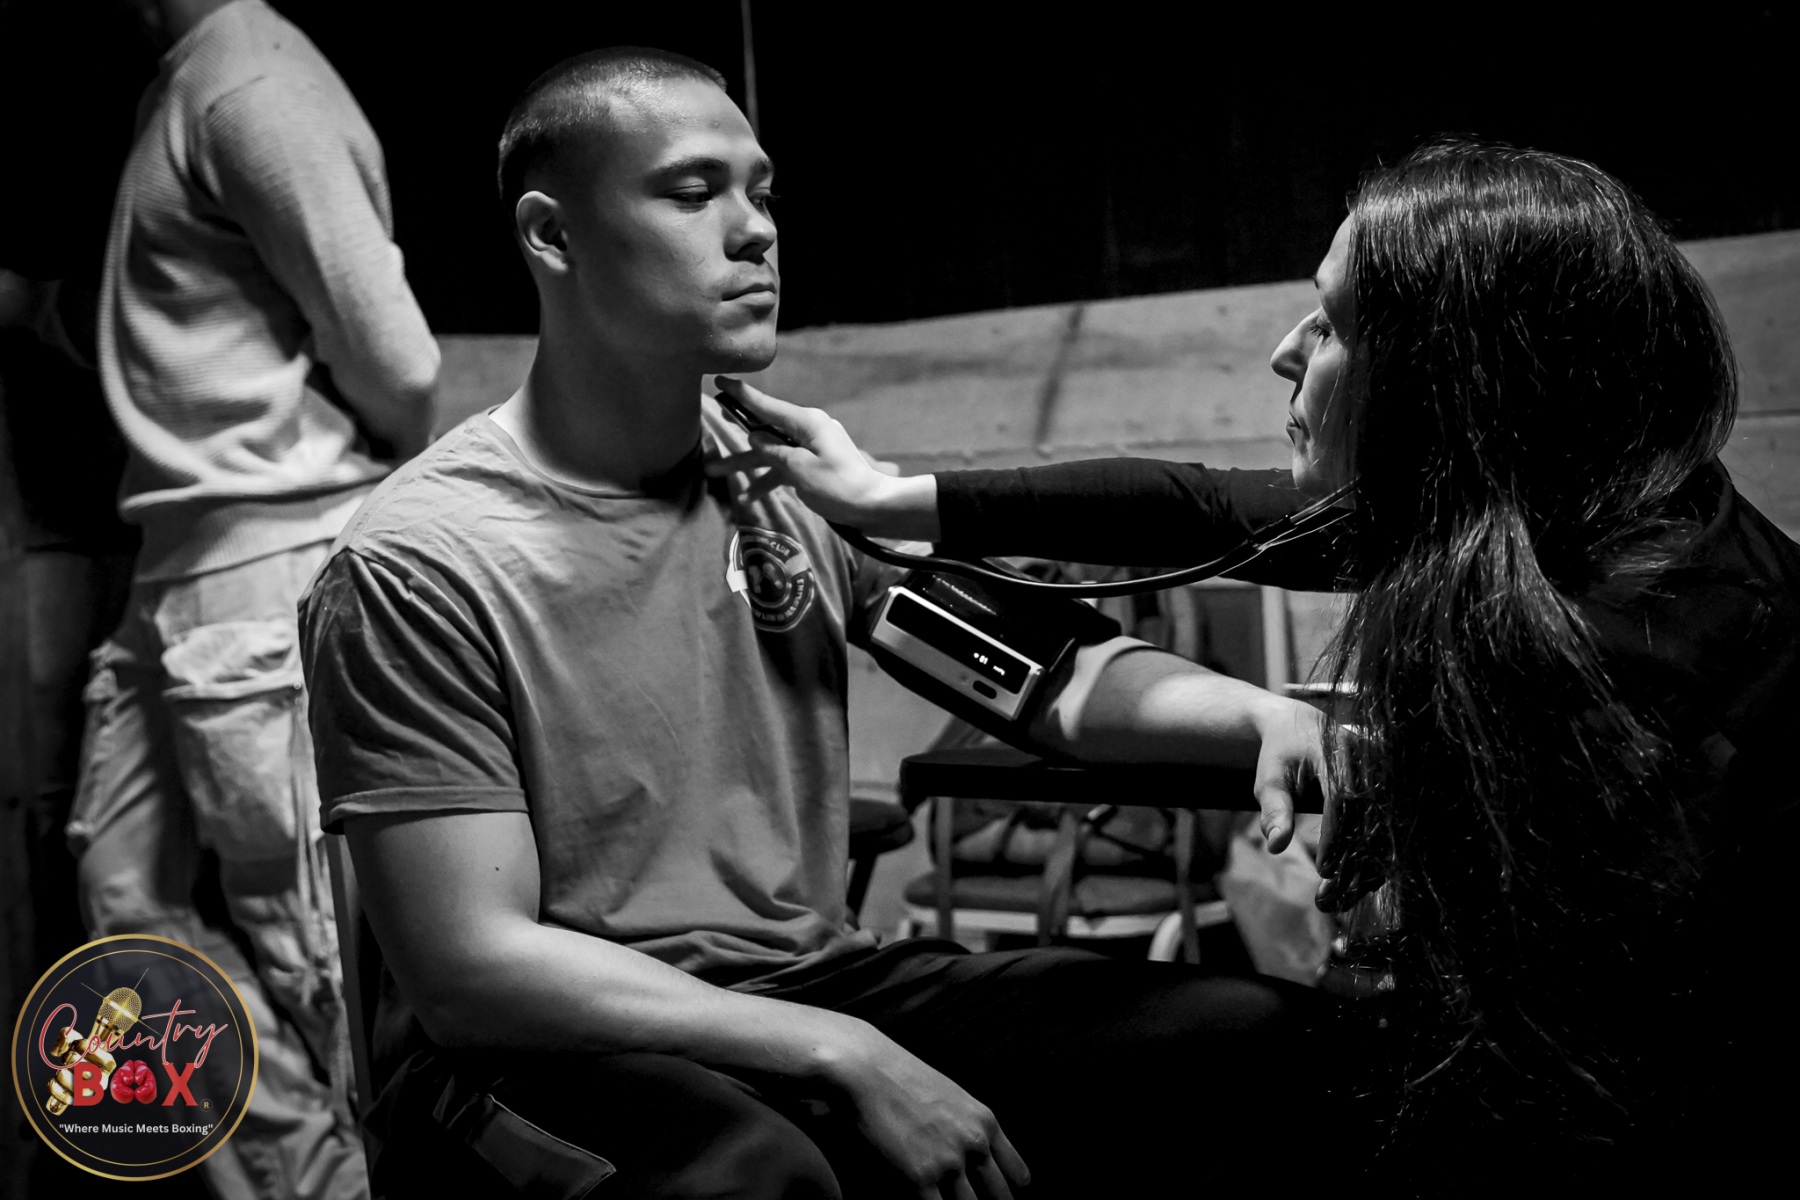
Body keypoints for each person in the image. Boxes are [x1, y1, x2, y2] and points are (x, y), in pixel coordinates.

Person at [298, 46, 1352, 1200]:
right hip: (533, 1048)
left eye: (762, 192)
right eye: (693, 192)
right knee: (760, 1176)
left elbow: (1041, 674)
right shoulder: (421, 557)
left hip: (805, 984)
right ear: (553, 236)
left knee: (1263, 1045)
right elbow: (471, 970)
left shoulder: (779, 483)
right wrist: (842, 1052)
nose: (754, 230)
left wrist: (1261, 717)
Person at [711, 140, 1800, 1185]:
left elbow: (1587, 1069)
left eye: (1330, 326)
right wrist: (893, 498)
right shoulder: (1567, 495)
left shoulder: (1623, 656)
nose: (1286, 350)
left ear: (1447, 378)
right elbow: (1195, 507)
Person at [70, 2, 439, 1196]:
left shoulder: (250, 82)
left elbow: (402, 364)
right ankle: (311, 1177)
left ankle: (361, 1179)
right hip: (177, 562)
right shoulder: (190, 80)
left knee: (313, 944)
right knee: (125, 898)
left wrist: (364, 506)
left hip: (270, 551)